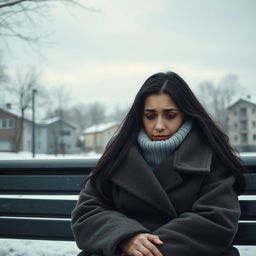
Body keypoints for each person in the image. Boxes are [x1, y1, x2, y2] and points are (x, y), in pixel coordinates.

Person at [71, 71, 245, 256]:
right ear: (140, 116)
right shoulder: (117, 153)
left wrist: (147, 251)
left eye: (170, 116)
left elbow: (217, 219)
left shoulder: (210, 154)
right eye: (150, 116)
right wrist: (126, 237)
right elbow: (87, 212)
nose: (159, 125)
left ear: (186, 115)